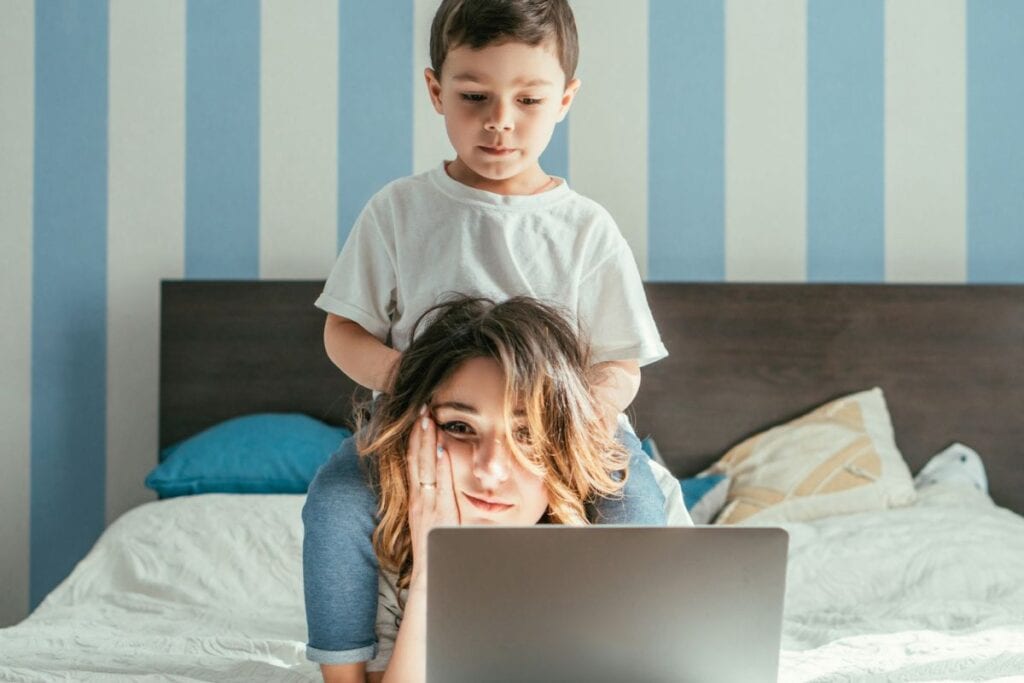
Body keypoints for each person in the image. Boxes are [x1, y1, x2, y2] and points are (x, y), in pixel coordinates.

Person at [304, 0, 671, 676]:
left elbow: (622, 364)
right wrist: (411, 381)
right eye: (474, 97)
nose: (500, 121)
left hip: (553, 424)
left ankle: (632, 654)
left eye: (528, 99)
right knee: (335, 498)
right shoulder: (400, 211)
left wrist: (569, 413)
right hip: (429, 421)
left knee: (636, 501)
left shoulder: (585, 228)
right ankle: (343, 664)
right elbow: (342, 332)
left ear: (564, 100)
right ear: (436, 91)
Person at [353, 297, 689, 681]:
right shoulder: (382, 533)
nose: (491, 471)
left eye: (526, 434)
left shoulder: (647, 503)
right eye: (459, 427)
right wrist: (435, 567)